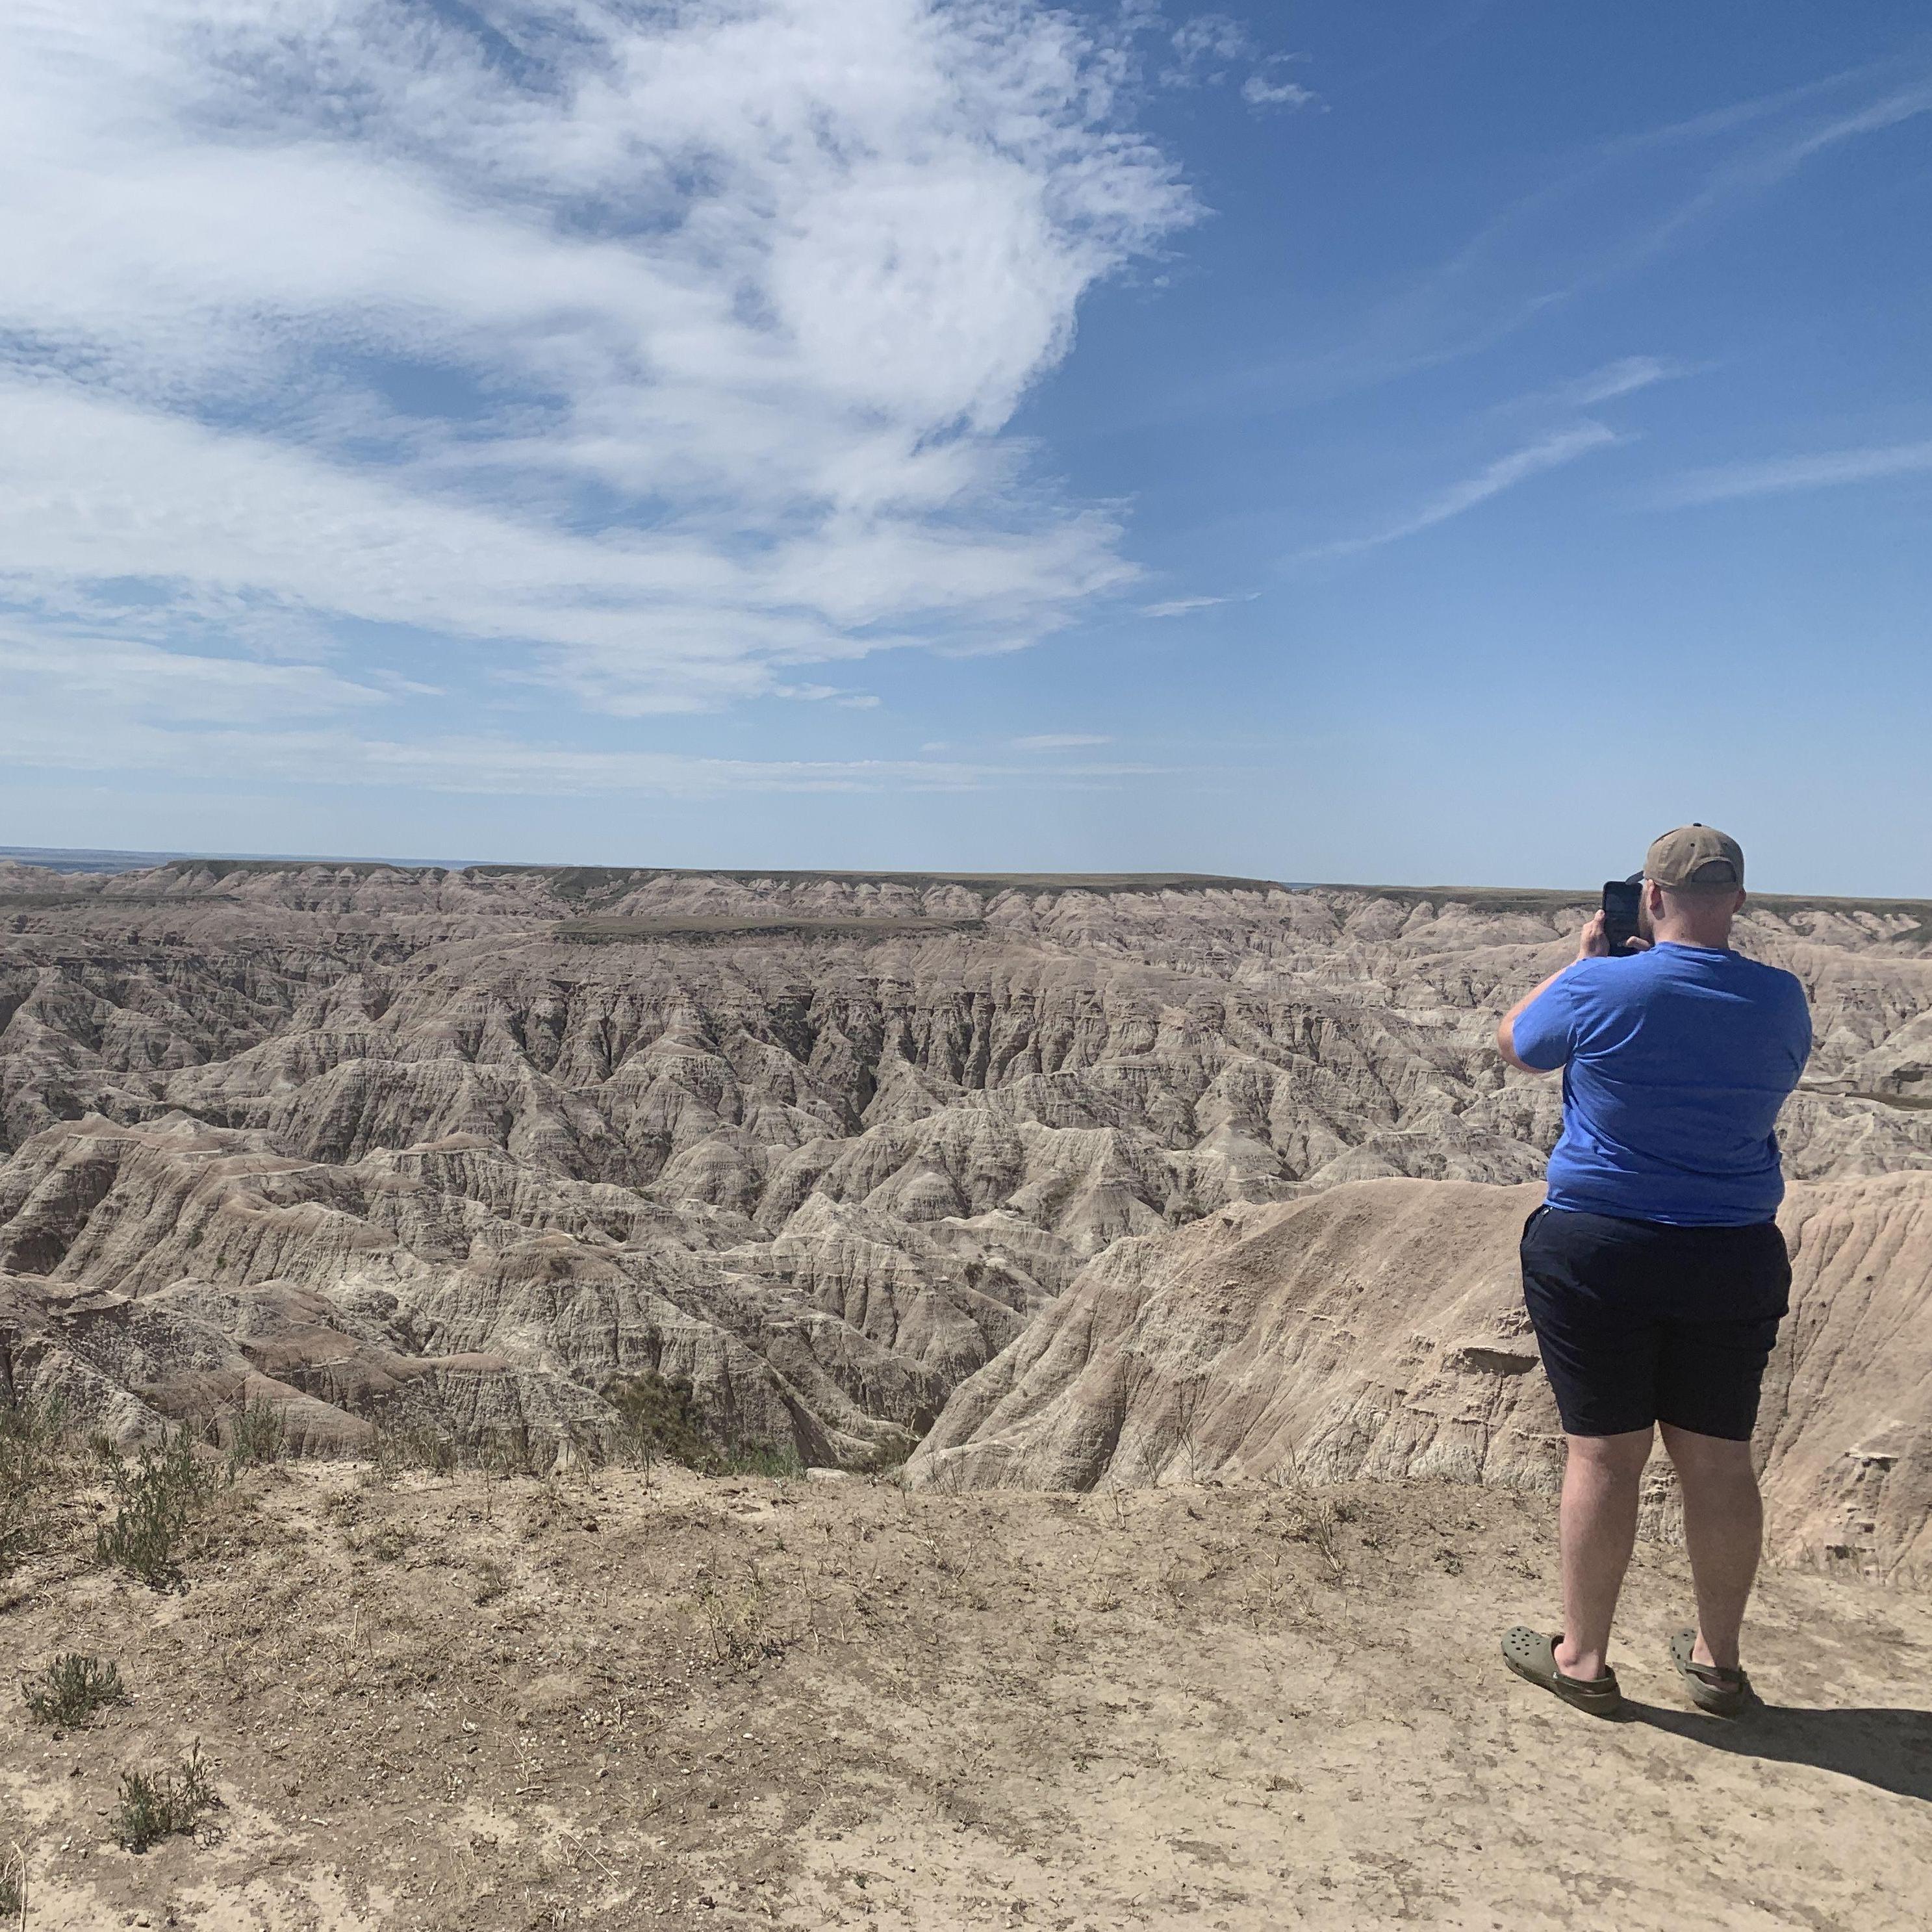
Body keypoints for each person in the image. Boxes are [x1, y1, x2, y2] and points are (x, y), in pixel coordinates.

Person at [1493, 825, 1812, 1718]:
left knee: (1603, 1454)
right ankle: (1717, 1663)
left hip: (1599, 1246)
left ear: (1652, 896)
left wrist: (1581, 959)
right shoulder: (1782, 999)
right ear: (1738, 900)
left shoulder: (1600, 981)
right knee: (1717, 1461)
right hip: (1730, 1250)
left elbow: (1517, 1044)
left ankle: (1584, 1660)